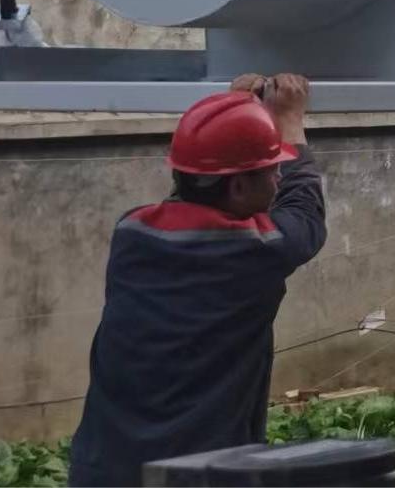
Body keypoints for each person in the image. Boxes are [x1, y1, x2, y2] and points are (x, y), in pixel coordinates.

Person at [69, 74, 326, 486]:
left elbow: (190, 199)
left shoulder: (131, 232)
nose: (278, 179)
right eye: (271, 171)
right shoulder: (256, 250)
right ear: (238, 187)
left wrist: (237, 116)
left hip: (103, 471)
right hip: (194, 476)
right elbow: (304, 209)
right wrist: (290, 121)